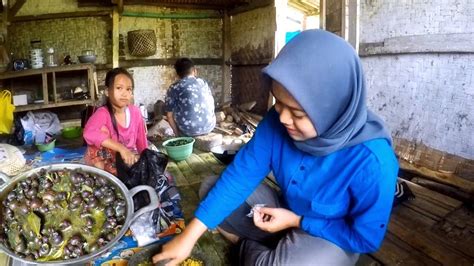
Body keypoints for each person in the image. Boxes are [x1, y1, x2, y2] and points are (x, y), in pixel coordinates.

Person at [153, 30, 399, 265]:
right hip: (285, 211)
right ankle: (267, 248)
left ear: (331, 108)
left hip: (330, 234)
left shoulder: (373, 161)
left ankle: (245, 246)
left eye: (298, 113)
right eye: (278, 103)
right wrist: (189, 236)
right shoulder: (276, 122)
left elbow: (365, 238)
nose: (282, 118)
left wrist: (297, 221)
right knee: (210, 189)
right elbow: (241, 176)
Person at [84, 68, 148, 175]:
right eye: (119, 88)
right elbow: (89, 133)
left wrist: (146, 160)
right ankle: (102, 176)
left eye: (128, 89)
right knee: (100, 132)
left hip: (124, 159)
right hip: (105, 162)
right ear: (107, 92)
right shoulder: (102, 113)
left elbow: (142, 141)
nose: (124, 94)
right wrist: (121, 148)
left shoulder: (135, 112)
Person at [164, 58, 216, 137]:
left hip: (189, 131)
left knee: (173, 112)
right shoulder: (203, 82)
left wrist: (177, 135)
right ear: (195, 71)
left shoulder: (174, 87)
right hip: (209, 126)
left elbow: (169, 116)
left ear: (177, 74)